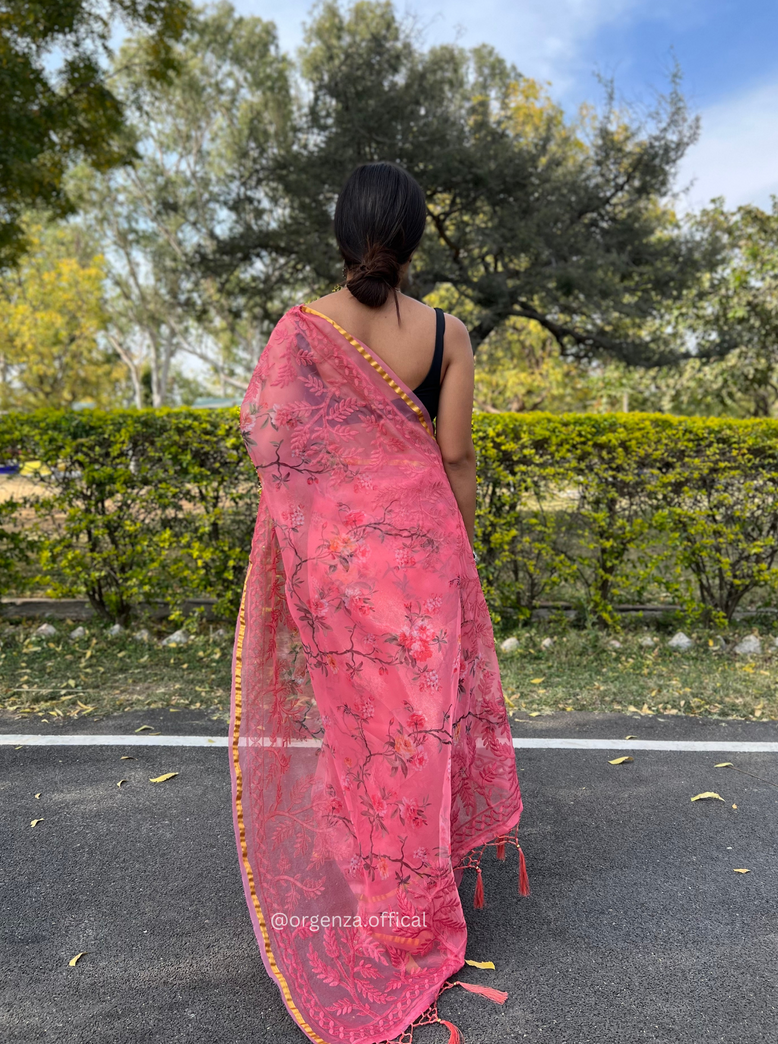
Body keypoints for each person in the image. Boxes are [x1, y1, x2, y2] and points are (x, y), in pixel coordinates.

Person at [229, 161, 526, 1044]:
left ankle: (379, 893)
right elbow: (459, 459)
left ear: (340, 234)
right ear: (415, 237)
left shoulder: (301, 331)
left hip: (340, 575)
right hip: (424, 567)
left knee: (362, 738)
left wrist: (317, 531)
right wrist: (457, 551)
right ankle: (415, 901)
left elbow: (268, 438)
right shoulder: (448, 335)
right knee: (420, 738)